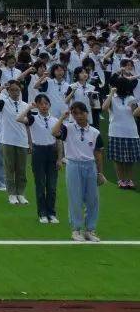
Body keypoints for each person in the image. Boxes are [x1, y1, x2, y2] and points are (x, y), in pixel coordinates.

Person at [53, 101, 106, 242]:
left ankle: (90, 230)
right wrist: (62, 118)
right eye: (75, 113)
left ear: (87, 113)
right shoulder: (68, 128)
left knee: (93, 199)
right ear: (72, 115)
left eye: (81, 113)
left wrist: (100, 173)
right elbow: (54, 132)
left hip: (90, 165)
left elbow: (98, 154)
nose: (79, 116)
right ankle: (76, 230)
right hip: (74, 165)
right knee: (75, 198)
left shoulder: (95, 132)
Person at [22, 93, 60, 223]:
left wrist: (60, 158)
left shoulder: (55, 120)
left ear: (49, 105)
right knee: (40, 183)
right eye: (41, 104)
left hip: (52, 151)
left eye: (46, 103)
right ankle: (42, 213)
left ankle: (52, 212)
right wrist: (29, 108)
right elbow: (19, 118)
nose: (44, 106)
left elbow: (59, 140)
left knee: (52, 185)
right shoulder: (33, 118)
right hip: (38, 151)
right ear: (37, 106)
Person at [102, 78, 140, 189]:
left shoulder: (131, 98)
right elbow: (104, 108)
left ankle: (128, 180)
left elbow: (135, 114)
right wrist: (111, 93)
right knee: (118, 159)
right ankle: (121, 180)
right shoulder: (111, 98)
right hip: (115, 132)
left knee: (129, 159)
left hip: (130, 132)